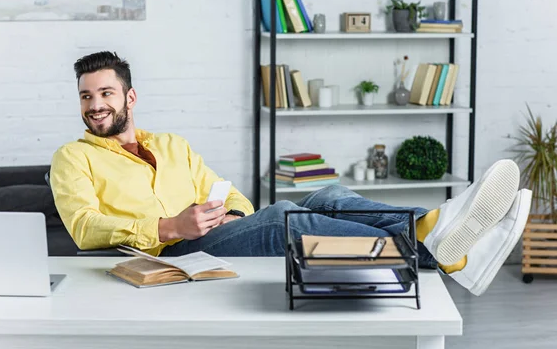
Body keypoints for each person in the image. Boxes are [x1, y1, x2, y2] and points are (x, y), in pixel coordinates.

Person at [50, 51, 532, 296]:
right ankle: (431, 240)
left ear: (128, 98)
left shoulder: (172, 145)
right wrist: (169, 226)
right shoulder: (74, 158)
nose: (96, 105)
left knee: (331, 193)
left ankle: (437, 231)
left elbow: (231, 192)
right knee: (287, 215)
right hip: (167, 254)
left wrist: (230, 212)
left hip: (214, 235)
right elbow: (85, 227)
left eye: (105, 93)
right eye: (87, 96)